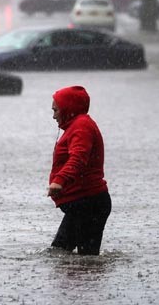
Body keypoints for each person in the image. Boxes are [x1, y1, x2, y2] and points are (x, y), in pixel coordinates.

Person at [47, 86, 111, 255]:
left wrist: (59, 180)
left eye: (56, 110)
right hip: (85, 203)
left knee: (67, 255)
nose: (53, 116)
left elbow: (78, 158)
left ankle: (88, 281)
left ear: (68, 108)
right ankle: (86, 281)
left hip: (89, 203)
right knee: (64, 255)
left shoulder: (81, 126)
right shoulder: (77, 125)